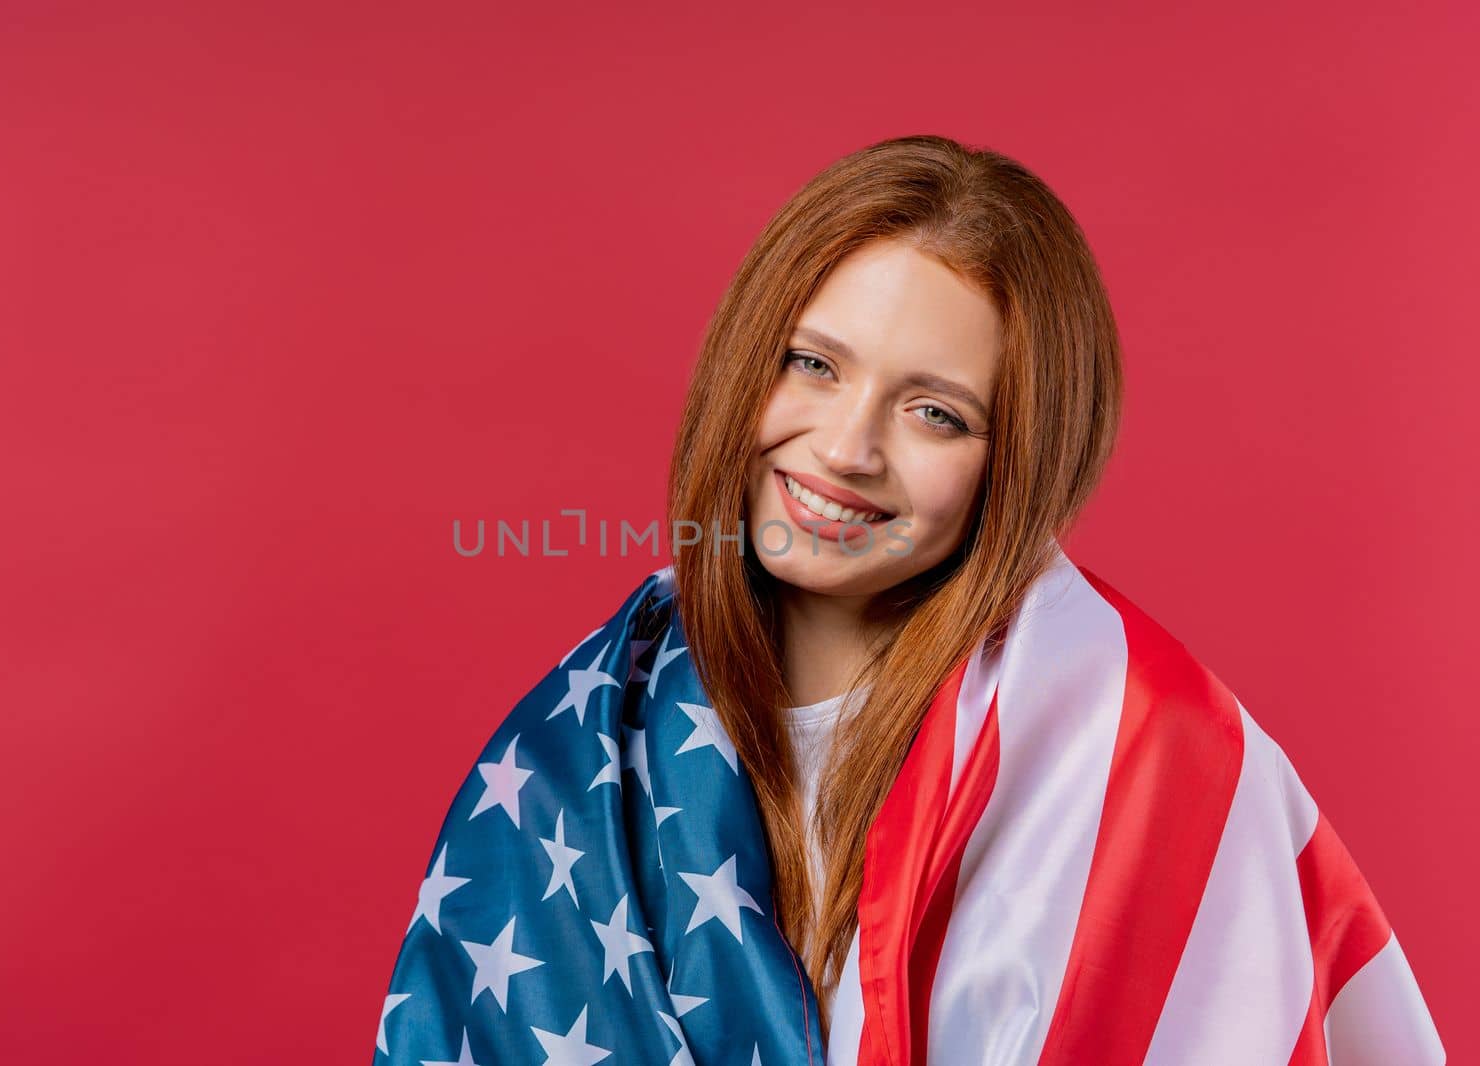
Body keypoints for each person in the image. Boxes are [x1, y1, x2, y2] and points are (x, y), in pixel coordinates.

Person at [374, 135, 1445, 1064]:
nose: (845, 450)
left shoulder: (1147, 755)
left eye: (935, 413)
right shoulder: (589, 732)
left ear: (1018, 463)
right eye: (811, 363)